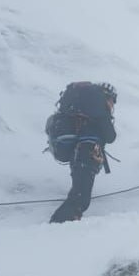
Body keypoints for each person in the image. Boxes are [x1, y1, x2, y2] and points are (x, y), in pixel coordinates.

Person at [49, 82, 117, 223]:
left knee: (78, 192)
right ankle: (57, 226)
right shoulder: (99, 110)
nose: (113, 104)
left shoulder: (84, 109)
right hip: (88, 152)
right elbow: (111, 136)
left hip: (77, 151)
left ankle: (63, 224)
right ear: (106, 97)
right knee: (80, 199)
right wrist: (105, 118)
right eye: (112, 100)